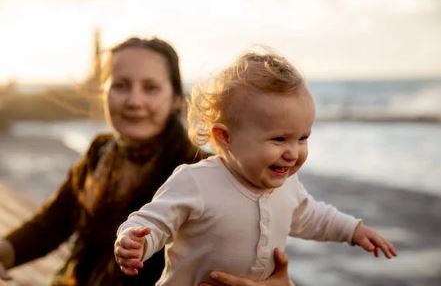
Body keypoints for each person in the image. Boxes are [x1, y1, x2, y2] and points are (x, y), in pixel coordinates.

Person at [0, 37, 295, 286]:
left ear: (177, 99)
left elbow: (256, 252)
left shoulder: (207, 172)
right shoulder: (100, 153)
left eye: (150, 88)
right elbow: (50, 225)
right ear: (103, 94)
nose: (134, 101)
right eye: (121, 86)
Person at [114, 51, 397, 285]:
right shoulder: (196, 181)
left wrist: (353, 230)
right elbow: (155, 221)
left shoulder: (287, 186)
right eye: (278, 139)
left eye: (303, 138)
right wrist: (136, 240)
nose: (293, 152)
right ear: (225, 137)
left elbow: (311, 216)